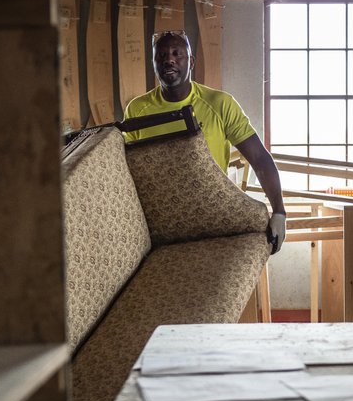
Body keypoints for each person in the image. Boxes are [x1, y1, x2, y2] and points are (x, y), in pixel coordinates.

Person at [123, 30, 287, 254]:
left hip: (214, 213)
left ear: (190, 62)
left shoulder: (220, 104)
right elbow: (129, 171)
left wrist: (279, 211)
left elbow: (259, 158)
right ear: (154, 63)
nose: (168, 59)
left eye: (176, 53)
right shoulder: (137, 109)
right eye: (160, 56)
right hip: (164, 222)